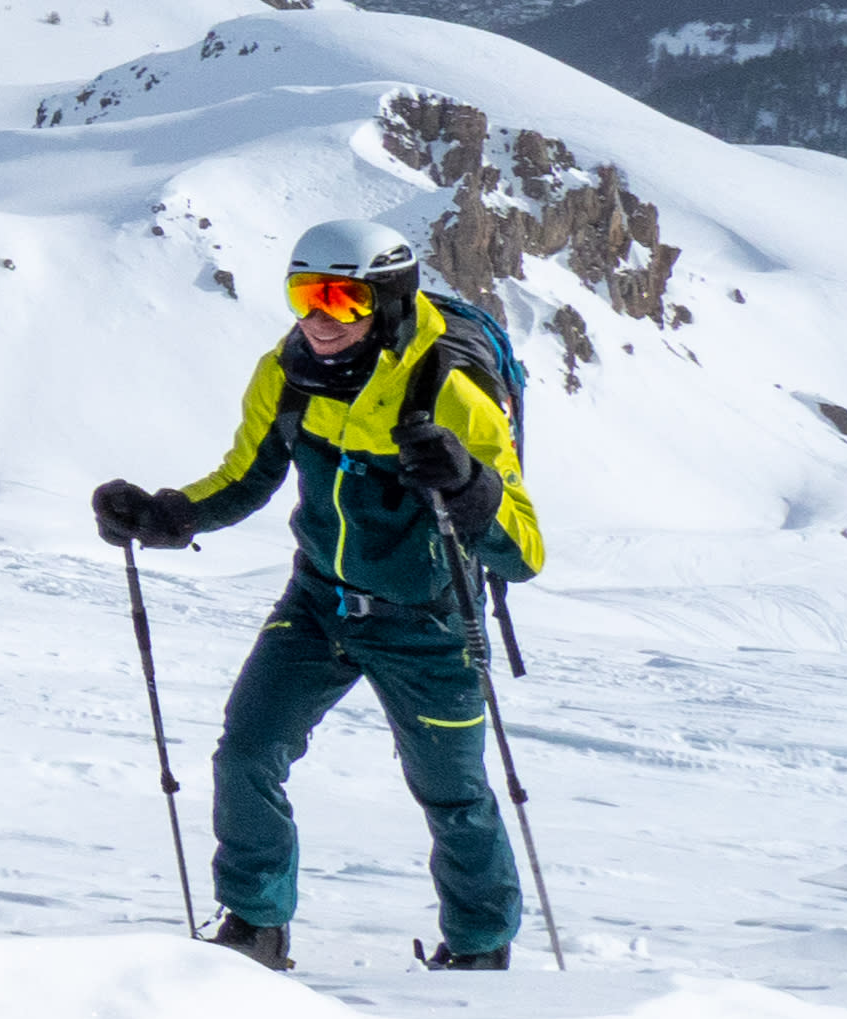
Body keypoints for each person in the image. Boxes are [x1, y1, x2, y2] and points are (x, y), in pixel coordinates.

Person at [91, 216, 540, 974]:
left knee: (453, 795)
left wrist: (470, 484)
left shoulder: (451, 391)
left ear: (387, 302)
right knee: (246, 754)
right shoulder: (288, 372)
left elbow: (523, 551)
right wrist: (164, 516)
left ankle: (479, 949)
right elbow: (245, 478)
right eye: (305, 293)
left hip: (429, 622)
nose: (319, 316)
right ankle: (255, 929)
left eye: (342, 297)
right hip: (319, 605)